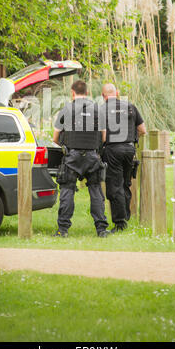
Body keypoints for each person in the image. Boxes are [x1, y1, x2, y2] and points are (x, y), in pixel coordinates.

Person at [53, 80, 110, 238]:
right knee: (96, 191)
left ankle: (63, 230)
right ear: (87, 92)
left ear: (73, 92)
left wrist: (68, 145)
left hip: (72, 157)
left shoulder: (66, 109)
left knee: (67, 191)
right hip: (92, 156)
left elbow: (55, 137)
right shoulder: (98, 110)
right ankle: (101, 230)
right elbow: (104, 137)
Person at [100, 83, 146, 232]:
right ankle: (126, 217)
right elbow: (142, 130)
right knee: (126, 184)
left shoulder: (102, 109)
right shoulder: (130, 107)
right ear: (117, 93)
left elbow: (102, 136)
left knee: (115, 187)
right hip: (129, 150)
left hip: (113, 150)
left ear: (103, 96)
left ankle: (120, 224)